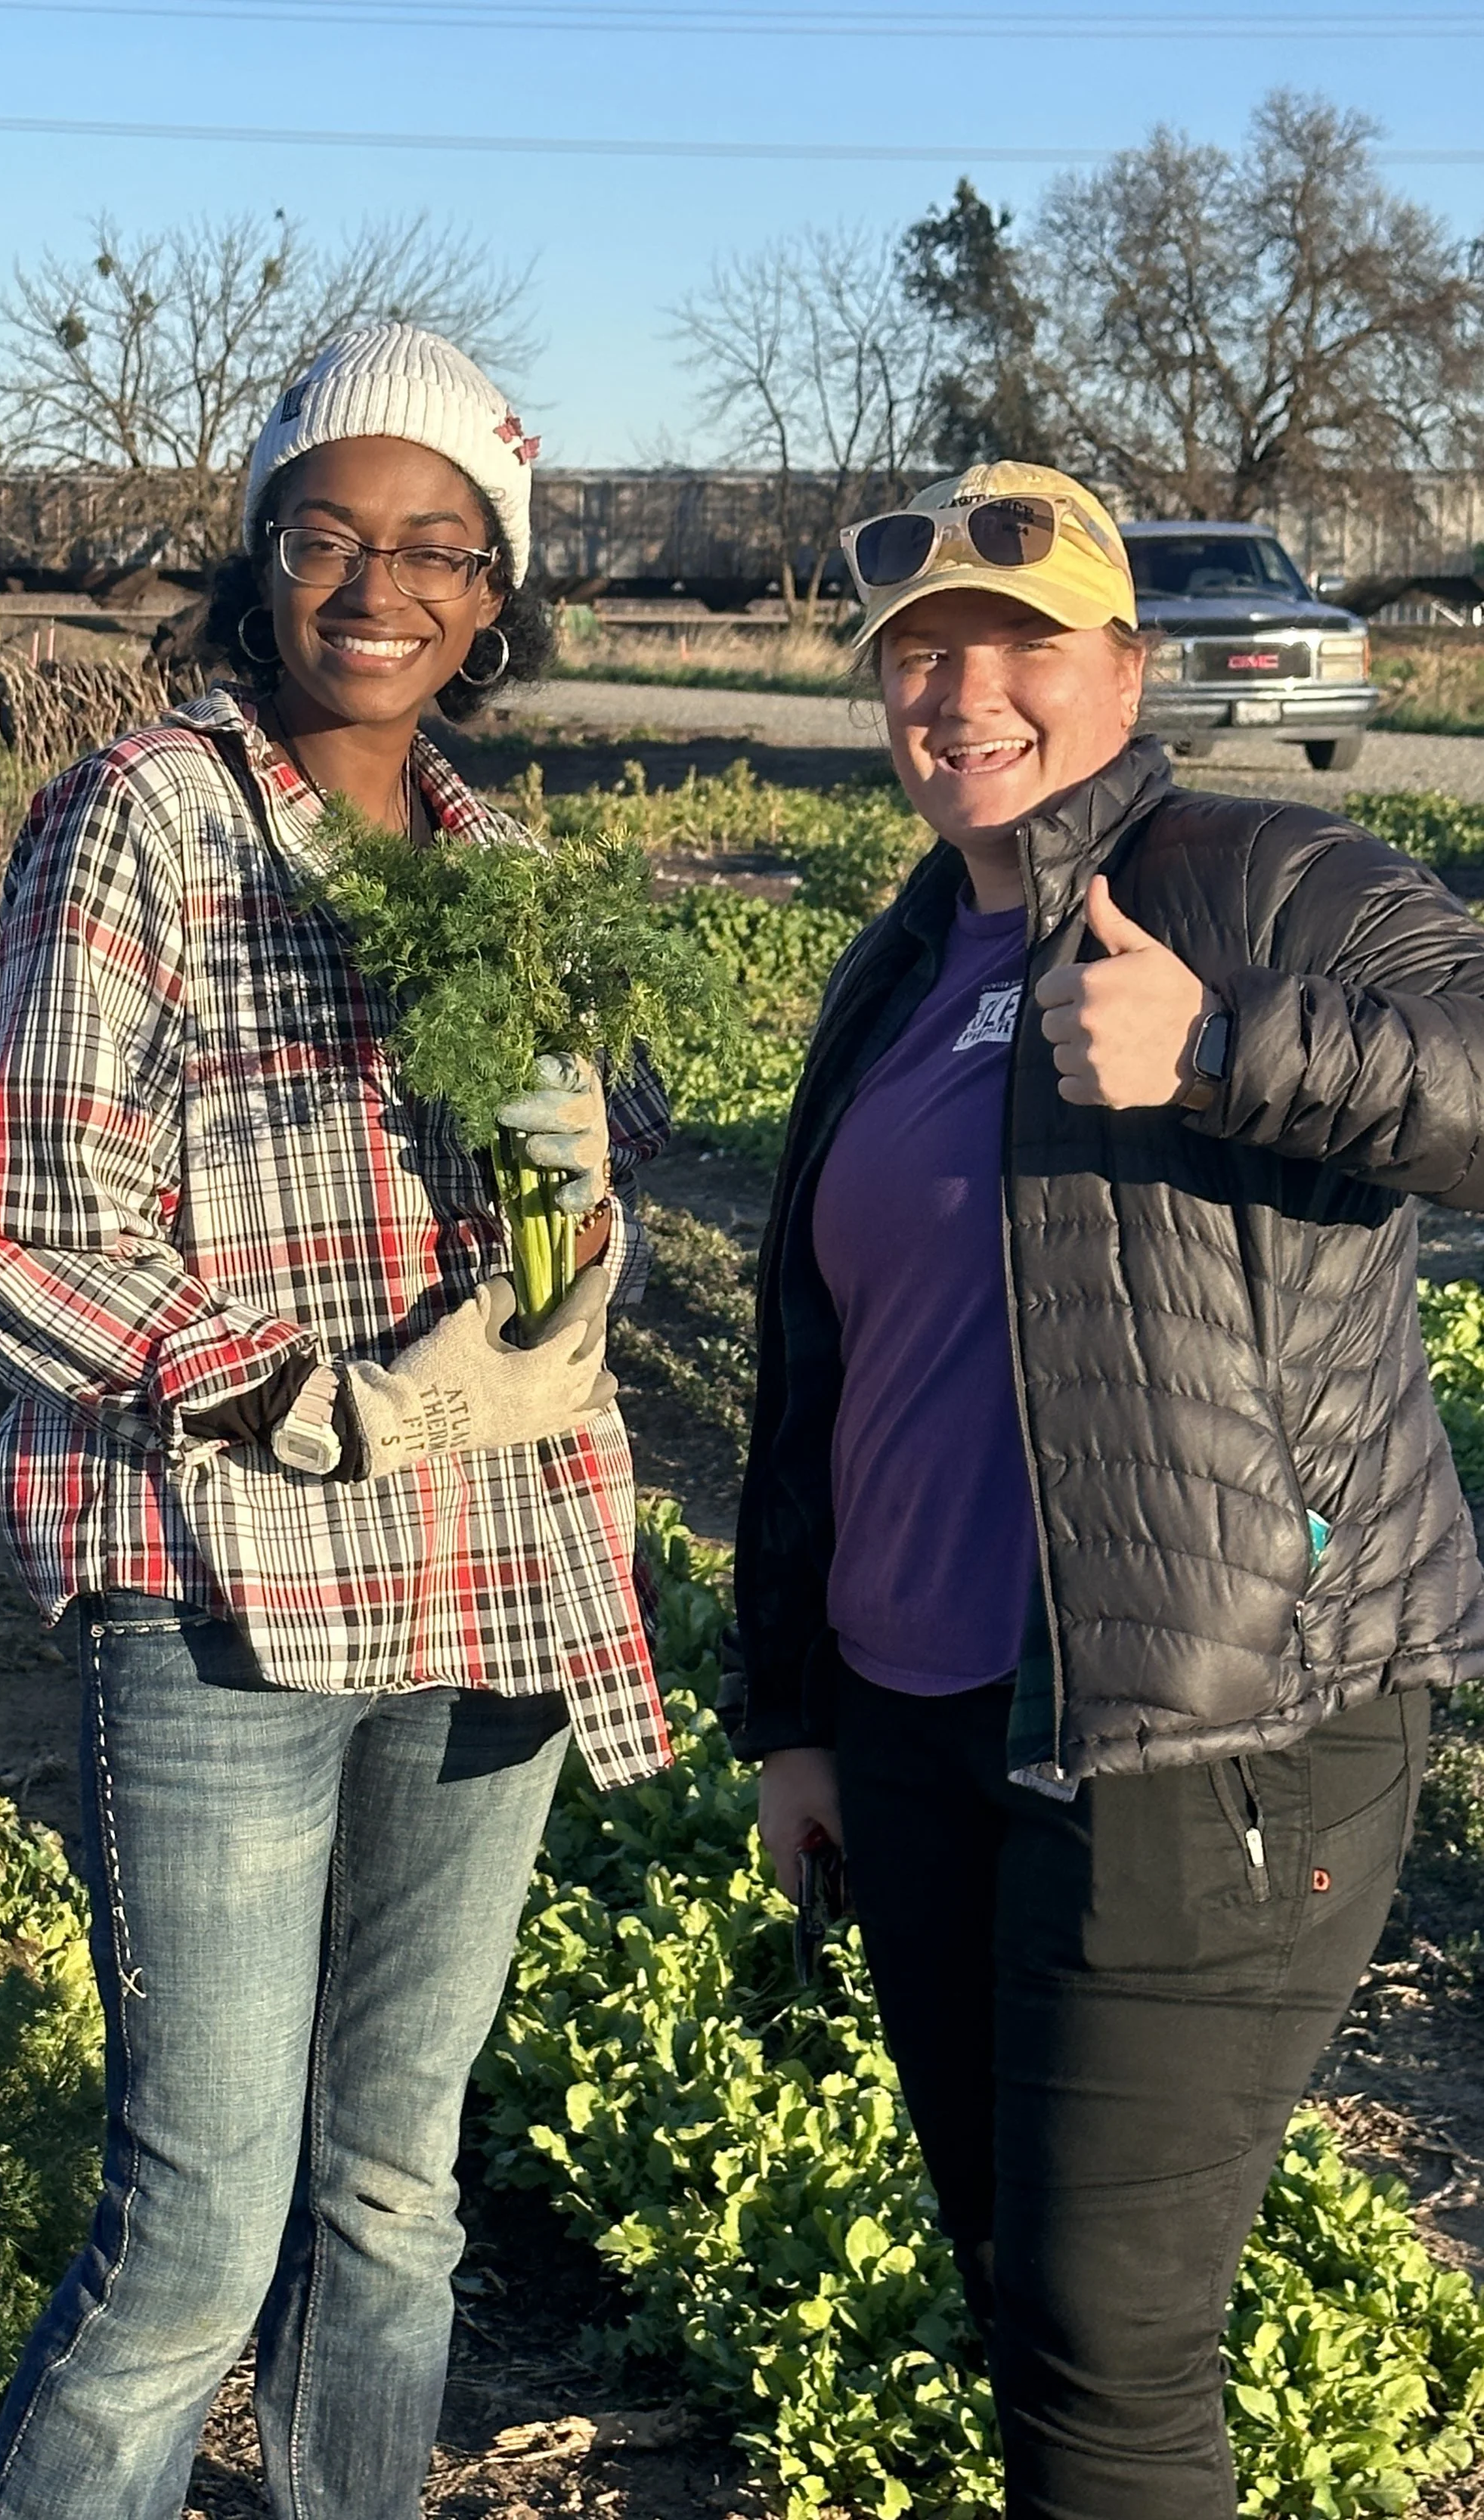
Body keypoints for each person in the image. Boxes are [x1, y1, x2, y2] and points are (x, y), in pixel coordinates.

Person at [0, 322, 672, 2520]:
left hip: (484, 1583)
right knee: (192, 2233)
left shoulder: (495, 863)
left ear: (495, 591)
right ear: (260, 561)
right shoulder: (144, 817)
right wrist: (316, 1402)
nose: (382, 582)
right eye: (330, 533)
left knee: (391, 2198)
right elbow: (28, 1227)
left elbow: (536, 1197)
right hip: (227, 1596)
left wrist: (570, 1257)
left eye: (437, 546)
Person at [727, 458, 1484, 2518]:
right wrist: (789, 1708)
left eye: (1016, 640)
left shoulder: (1255, 875)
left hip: (1213, 1731)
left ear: (1124, 665)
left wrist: (1229, 1042)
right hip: (917, 1734)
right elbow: (820, 1367)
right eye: (916, 654)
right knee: (1020, 2301)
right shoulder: (889, 966)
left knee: (1103, 2351)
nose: (959, 690)